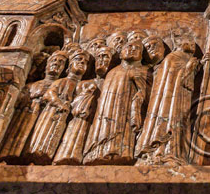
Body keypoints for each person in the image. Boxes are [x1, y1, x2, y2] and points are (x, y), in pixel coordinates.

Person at [84, 37, 150, 165]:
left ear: (141, 56)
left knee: (122, 133)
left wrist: (136, 103)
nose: (132, 50)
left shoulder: (143, 71)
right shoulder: (112, 72)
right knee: (102, 130)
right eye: (129, 47)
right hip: (105, 112)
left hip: (125, 111)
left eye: (136, 49)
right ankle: (97, 152)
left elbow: (147, 93)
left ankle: (120, 153)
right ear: (120, 53)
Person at [136, 36, 201, 164]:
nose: (192, 45)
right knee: (171, 120)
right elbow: (177, 79)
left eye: (193, 43)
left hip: (183, 97)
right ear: (179, 43)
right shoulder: (173, 57)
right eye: (188, 42)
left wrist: (196, 66)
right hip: (171, 100)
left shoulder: (184, 58)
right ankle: (164, 151)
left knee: (180, 121)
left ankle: (175, 152)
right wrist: (189, 67)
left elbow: (188, 78)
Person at [28, 49, 89, 163]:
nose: (82, 63)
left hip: (66, 117)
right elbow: (49, 94)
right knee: (45, 136)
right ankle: (38, 154)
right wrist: (59, 103)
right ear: (69, 66)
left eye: (85, 62)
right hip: (52, 114)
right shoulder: (62, 81)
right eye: (78, 60)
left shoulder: (82, 84)